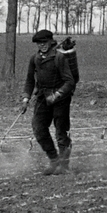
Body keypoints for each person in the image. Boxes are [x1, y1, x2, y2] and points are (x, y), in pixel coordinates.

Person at [22, 27, 76, 173]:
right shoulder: (35, 59)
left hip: (61, 99)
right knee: (38, 129)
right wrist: (26, 98)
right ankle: (54, 160)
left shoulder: (59, 57)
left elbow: (70, 82)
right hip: (42, 99)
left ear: (51, 42)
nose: (42, 45)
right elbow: (29, 80)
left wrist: (57, 94)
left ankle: (64, 166)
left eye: (44, 42)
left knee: (61, 133)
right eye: (39, 43)